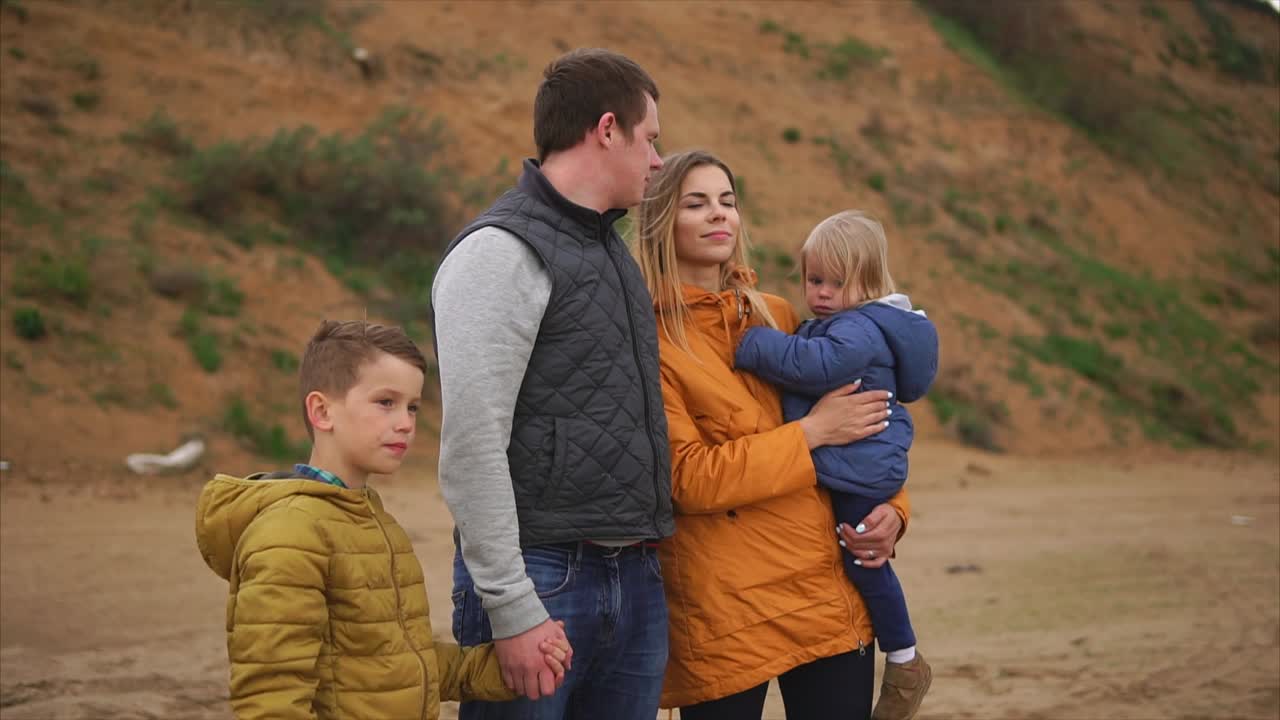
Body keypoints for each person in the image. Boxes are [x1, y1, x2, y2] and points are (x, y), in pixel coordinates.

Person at [431, 48, 674, 720]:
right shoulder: (500, 253)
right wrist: (511, 608)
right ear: (605, 129)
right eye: (650, 139)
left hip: (635, 575)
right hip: (542, 578)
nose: (658, 161)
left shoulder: (613, 253)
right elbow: (471, 445)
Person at [634, 150, 912, 720]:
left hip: (824, 598)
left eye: (728, 202)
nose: (719, 216)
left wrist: (893, 512)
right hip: (725, 613)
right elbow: (688, 480)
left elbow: (868, 420)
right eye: (697, 203)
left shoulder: (780, 315)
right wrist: (809, 432)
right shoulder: (649, 341)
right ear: (663, 221)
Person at [195, 320, 568, 719]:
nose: (406, 423)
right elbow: (271, 696)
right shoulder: (290, 532)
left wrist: (505, 667)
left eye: (412, 406)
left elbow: (396, 663)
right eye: (385, 402)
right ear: (322, 411)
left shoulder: (375, 522)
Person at [734, 210, 938, 720]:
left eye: (835, 282)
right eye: (813, 279)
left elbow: (814, 366)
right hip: (861, 464)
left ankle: (905, 659)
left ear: (867, 283)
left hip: (859, 469)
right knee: (861, 556)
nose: (820, 292)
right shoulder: (851, 323)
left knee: (861, 558)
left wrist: (756, 344)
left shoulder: (858, 329)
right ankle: (904, 656)